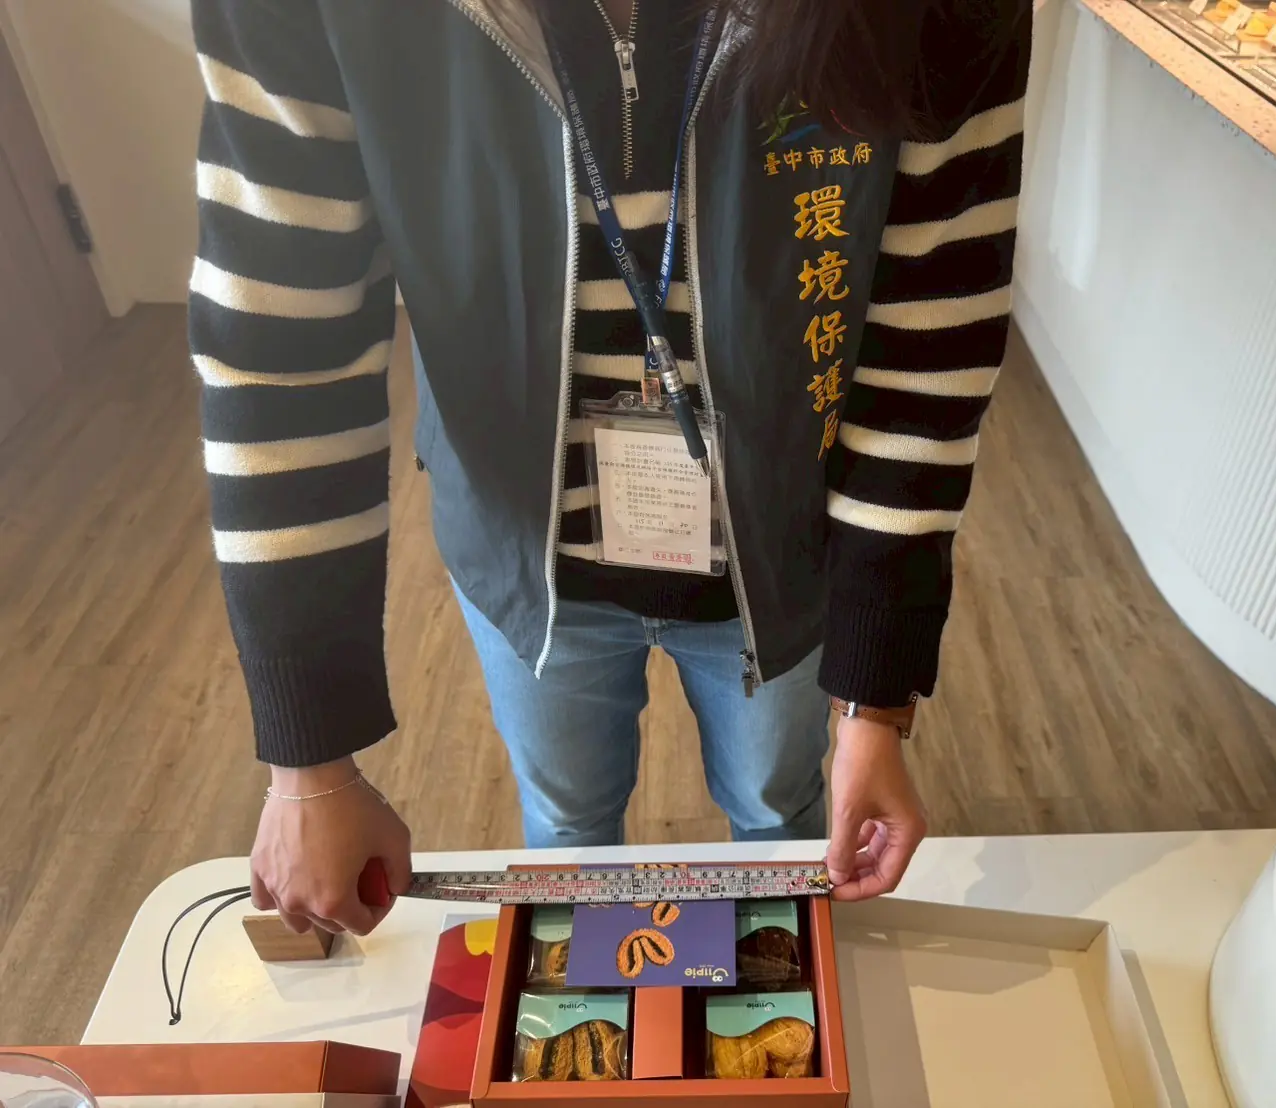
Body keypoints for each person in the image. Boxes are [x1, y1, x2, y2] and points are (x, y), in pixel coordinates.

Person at [188, 0, 1031, 937]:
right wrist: (309, 763)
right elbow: (279, 348)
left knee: (776, 813)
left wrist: (875, 703)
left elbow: (933, 331)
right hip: (524, 559)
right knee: (566, 827)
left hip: (788, 553)